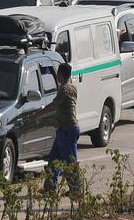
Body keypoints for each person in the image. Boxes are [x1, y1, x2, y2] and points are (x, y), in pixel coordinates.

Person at [46, 63, 81, 194]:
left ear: (61, 75)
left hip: (68, 130)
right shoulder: (72, 87)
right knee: (54, 159)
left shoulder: (64, 90)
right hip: (64, 129)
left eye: (58, 74)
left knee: (69, 161)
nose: (56, 76)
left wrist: (36, 115)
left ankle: (75, 189)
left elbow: (53, 105)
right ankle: (50, 187)